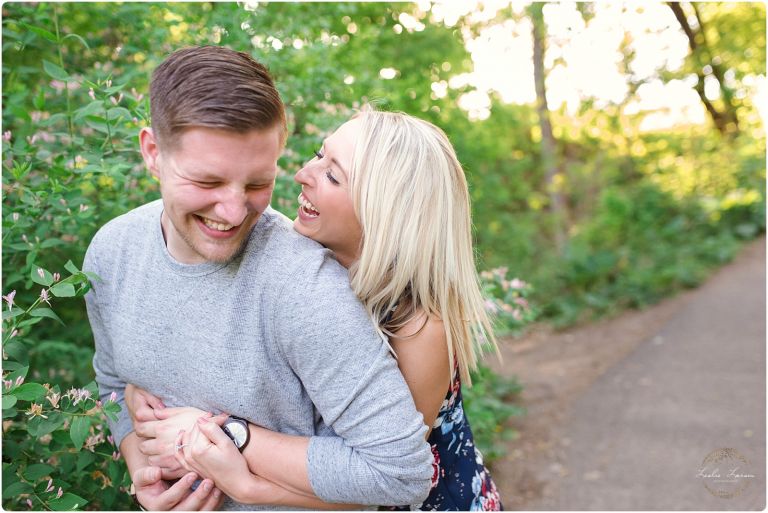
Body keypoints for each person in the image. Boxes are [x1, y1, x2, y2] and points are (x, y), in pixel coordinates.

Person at [84, 45, 434, 511]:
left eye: (256, 184)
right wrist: (139, 466)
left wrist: (218, 432)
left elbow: (399, 473)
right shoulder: (111, 252)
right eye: (207, 182)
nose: (231, 212)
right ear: (153, 152)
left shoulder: (306, 288)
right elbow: (112, 381)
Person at [127, 108, 504, 510]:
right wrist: (146, 391)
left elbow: (382, 483)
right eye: (318, 155)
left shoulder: (420, 326)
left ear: (386, 210)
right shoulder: (300, 266)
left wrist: (244, 473)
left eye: (332, 175)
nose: (303, 174)